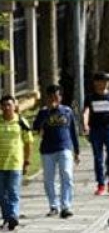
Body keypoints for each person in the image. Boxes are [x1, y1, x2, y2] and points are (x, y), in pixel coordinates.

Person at [32, 84, 80, 219]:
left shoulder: (67, 111)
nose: (54, 99)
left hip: (65, 147)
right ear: (47, 98)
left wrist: (77, 150)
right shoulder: (43, 112)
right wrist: (47, 112)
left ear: (61, 97)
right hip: (47, 149)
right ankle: (54, 205)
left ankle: (66, 206)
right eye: (51, 96)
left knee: (67, 175)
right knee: (49, 179)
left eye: (57, 96)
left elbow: (73, 132)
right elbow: (35, 127)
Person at [82, 73, 109, 197]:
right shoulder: (90, 97)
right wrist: (85, 125)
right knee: (98, 158)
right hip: (96, 130)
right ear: (95, 83)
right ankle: (100, 184)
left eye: (106, 81)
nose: (104, 84)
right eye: (101, 81)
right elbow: (86, 112)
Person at [0, 95, 32, 230]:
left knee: (13, 191)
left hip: (15, 163)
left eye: (9, 105)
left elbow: (28, 142)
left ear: (15, 106)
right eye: (4, 105)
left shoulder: (21, 122)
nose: (7, 107)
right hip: (0, 164)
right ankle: (7, 218)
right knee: (2, 193)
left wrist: (27, 161)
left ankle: (13, 216)